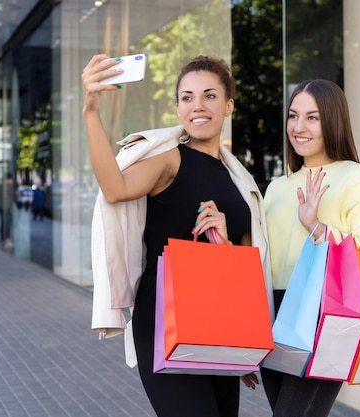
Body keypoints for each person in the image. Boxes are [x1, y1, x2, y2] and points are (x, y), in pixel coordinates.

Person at [82, 54, 273, 417]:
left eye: (209, 96)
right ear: (177, 107)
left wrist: (245, 342)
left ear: (229, 105)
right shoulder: (170, 160)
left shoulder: (237, 179)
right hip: (164, 321)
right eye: (187, 97)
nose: (197, 106)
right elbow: (114, 188)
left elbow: (242, 264)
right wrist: (92, 111)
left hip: (218, 321)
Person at [260, 79, 360, 416]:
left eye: (312, 118)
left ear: (333, 121)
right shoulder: (276, 187)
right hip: (274, 312)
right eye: (293, 116)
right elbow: (261, 258)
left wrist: (316, 227)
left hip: (326, 311)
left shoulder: (356, 177)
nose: (299, 127)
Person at [0, 172, 14, 248]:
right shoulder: (10, 186)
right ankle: (6, 241)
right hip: (7, 208)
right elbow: (14, 195)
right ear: (10, 179)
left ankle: (3, 239)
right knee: (7, 224)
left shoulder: (0, 186)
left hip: (1, 207)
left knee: (3, 223)